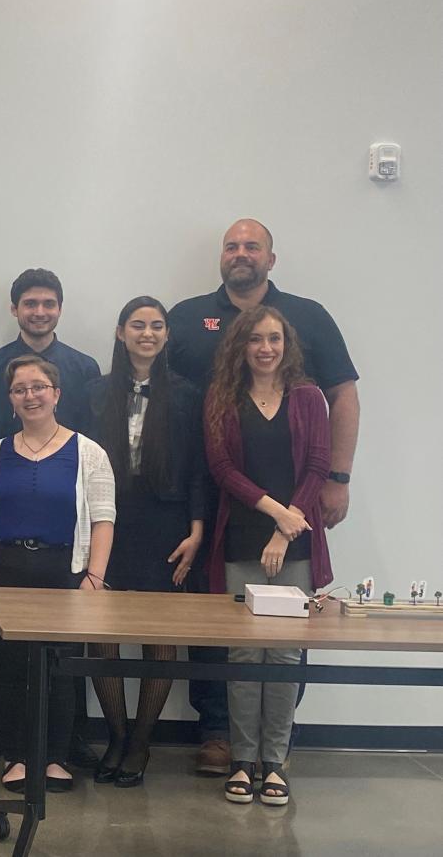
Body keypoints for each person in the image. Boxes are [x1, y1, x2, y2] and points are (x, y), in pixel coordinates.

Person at [168, 218, 358, 774]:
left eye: (253, 246)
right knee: (228, 636)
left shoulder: (310, 322)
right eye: (232, 246)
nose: (241, 253)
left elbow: (341, 398)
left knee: (284, 644)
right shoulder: (186, 319)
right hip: (221, 510)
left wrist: (336, 481)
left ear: (272, 259)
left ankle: (275, 753)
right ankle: (220, 737)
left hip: (295, 520)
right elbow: (191, 425)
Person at [0, 268, 101, 768]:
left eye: (48, 303)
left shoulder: (84, 367)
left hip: (65, 532)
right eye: (30, 304)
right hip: (6, 526)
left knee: (68, 650)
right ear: (15, 308)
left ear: (60, 308)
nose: (39, 311)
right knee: (3, 649)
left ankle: (69, 740)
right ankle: (3, 737)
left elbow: (90, 451)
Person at [203, 305, 331, 807]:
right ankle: (241, 758)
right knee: (242, 654)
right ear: (241, 344)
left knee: (282, 653)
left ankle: (274, 762)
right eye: (255, 338)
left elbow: (319, 466)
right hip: (240, 538)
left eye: (274, 338)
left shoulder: (308, 397)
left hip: (295, 541)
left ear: (286, 344)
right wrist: (277, 514)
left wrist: (286, 527)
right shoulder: (222, 397)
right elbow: (222, 469)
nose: (265, 347)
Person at [80, 297, 205, 786]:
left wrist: (196, 529)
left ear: (167, 335)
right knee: (101, 636)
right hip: (109, 523)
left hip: (166, 527)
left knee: (159, 639)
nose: (147, 333)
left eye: (156, 326)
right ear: (120, 332)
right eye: (138, 325)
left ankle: (141, 741)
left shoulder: (188, 395)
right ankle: (115, 734)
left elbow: (199, 468)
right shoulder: (93, 392)